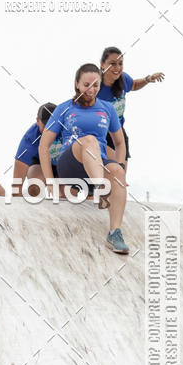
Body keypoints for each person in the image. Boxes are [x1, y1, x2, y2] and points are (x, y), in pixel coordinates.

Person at [39, 63, 130, 255]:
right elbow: (43, 145)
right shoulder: (64, 109)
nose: (91, 89)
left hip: (96, 164)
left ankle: (114, 233)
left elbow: (120, 143)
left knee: (118, 171)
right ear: (77, 84)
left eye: (96, 85)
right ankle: (102, 188)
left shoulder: (108, 109)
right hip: (70, 165)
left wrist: (120, 165)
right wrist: (49, 181)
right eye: (87, 84)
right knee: (89, 141)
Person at [99, 46, 164, 167]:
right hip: (100, 132)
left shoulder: (122, 78)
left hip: (118, 130)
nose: (117, 68)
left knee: (120, 176)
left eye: (120, 63)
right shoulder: (95, 86)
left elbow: (133, 85)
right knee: (112, 173)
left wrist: (147, 79)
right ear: (102, 64)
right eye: (112, 64)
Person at [13, 103, 62, 196]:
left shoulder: (68, 130)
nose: (49, 129)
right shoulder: (31, 137)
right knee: (35, 186)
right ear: (37, 121)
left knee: (64, 193)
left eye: (52, 124)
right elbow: (19, 169)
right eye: (45, 125)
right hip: (40, 163)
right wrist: (16, 196)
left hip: (63, 163)